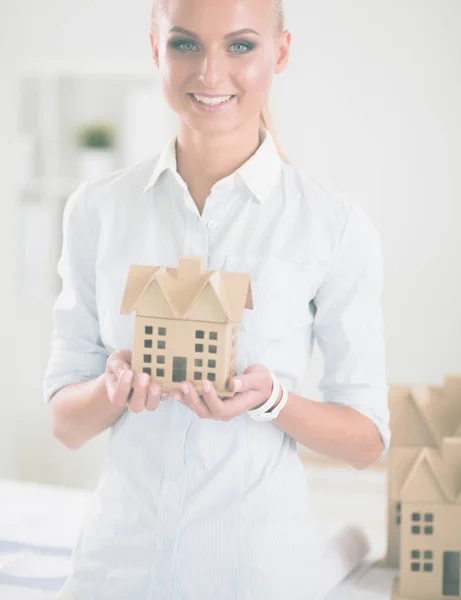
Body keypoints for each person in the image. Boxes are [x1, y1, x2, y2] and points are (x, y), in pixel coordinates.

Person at [43, 0, 390, 598]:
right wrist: (112, 390)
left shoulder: (332, 226)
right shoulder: (96, 211)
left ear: (279, 53)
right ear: (155, 48)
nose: (209, 73)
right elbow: (65, 424)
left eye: (239, 46)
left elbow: (367, 440)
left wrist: (273, 399)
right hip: (115, 572)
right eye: (184, 44)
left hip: (253, 575)